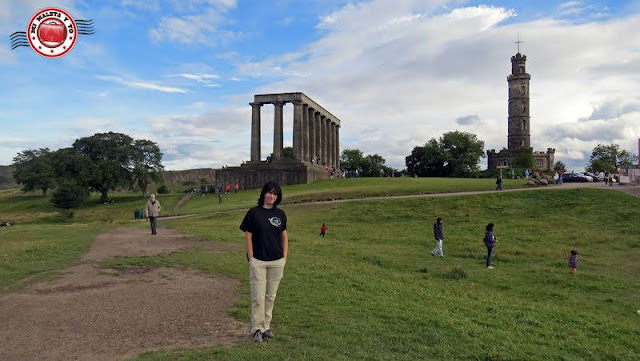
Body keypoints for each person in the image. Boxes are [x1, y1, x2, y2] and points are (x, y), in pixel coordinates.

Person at [240, 181, 289, 343]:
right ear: (264, 193)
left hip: (277, 261)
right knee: (258, 297)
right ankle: (257, 329)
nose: (272, 196)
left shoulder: (280, 214)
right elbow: (248, 234)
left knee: (270, 296)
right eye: (269, 192)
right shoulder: (253, 213)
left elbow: (284, 236)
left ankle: (266, 326)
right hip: (259, 260)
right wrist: (251, 256)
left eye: (275, 194)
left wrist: (284, 256)